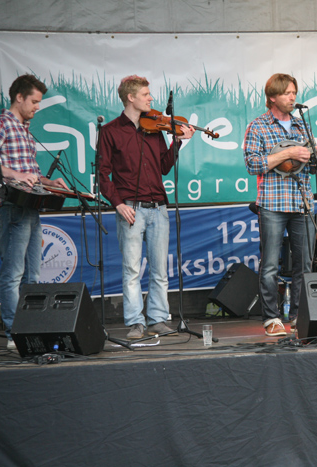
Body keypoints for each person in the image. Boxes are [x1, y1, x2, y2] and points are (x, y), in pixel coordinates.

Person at [0, 74, 69, 350]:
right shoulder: (1, 124)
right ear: (19, 97)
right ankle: (13, 332)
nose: (37, 107)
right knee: (13, 273)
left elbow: (32, 174)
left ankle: (30, 329)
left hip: (30, 208)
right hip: (11, 208)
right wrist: (15, 174)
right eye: (35, 102)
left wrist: (50, 183)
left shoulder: (25, 130)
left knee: (32, 275)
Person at [99, 75, 195, 339]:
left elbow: (163, 166)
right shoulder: (110, 131)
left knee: (159, 270)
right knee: (131, 270)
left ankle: (157, 319)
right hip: (130, 208)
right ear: (131, 98)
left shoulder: (153, 128)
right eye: (145, 94)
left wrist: (178, 142)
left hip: (158, 207)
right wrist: (118, 204)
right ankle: (135, 323)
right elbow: (102, 175)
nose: (151, 98)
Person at [244, 73, 317, 337]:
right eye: (286, 93)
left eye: (294, 92)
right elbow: (253, 164)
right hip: (272, 203)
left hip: (301, 202)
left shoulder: (301, 125)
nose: (292, 97)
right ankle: (272, 318)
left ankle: (299, 316)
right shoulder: (258, 126)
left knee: (304, 265)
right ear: (272, 97)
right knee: (270, 265)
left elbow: (312, 169)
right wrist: (289, 152)